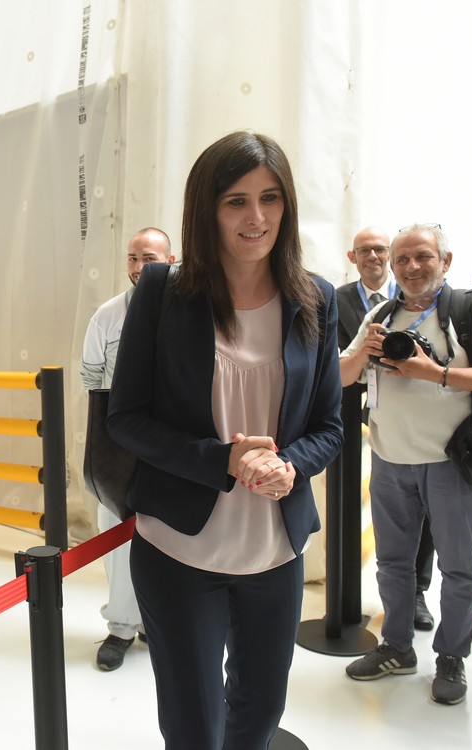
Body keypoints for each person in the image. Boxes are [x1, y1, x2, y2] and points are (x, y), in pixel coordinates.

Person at [107, 131, 342, 749]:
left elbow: (329, 426)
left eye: (270, 197)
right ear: (206, 208)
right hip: (179, 550)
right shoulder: (162, 292)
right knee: (194, 728)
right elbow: (125, 418)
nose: (255, 217)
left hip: (275, 553)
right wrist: (223, 460)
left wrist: (289, 465)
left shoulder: (315, 297)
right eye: (236, 200)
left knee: (259, 717)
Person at [340, 223, 472, 704]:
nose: (411, 267)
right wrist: (365, 350)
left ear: (446, 261)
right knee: (392, 564)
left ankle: (451, 657)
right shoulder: (382, 313)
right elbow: (340, 377)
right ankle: (396, 648)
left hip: (451, 462)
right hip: (389, 458)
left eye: (423, 256)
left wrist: (434, 372)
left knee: (458, 568)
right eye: (402, 259)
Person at [81, 226, 174, 671]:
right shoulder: (107, 315)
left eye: (149, 258)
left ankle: (158, 623)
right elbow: (92, 379)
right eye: (133, 258)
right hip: (120, 447)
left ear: (170, 261)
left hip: (173, 446)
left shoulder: (190, 310)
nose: (139, 267)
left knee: (172, 539)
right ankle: (120, 626)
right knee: (117, 537)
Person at [335, 227, 437, 631]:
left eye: (380, 250)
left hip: (418, 411)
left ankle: (418, 593)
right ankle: (386, 597)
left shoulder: (419, 298)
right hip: (356, 412)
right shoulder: (337, 298)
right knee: (387, 515)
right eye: (365, 250)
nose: (373, 257)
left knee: (426, 516)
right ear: (352, 257)